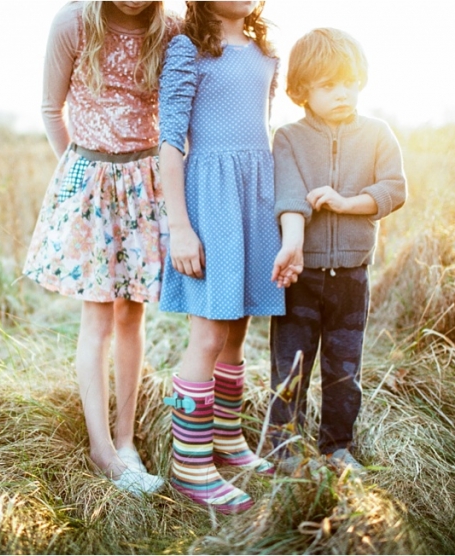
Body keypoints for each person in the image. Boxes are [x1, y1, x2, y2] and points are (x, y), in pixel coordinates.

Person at [24, 1, 180, 495]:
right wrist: (81, 175)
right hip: (91, 182)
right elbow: (52, 108)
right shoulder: (73, 22)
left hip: (144, 184)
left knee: (132, 314)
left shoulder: (170, 29)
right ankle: (101, 450)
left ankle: (126, 439)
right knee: (97, 317)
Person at [158, 1, 294, 514]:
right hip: (209, 201)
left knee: (238, 329)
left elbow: (262, 128)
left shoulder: (265, 50)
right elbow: (171, 142)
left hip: (254, 197)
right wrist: (179, 226)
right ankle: (190, 466)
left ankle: (228, 441)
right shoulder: (186, 49)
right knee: (209, 332)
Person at [269, 28, 407, 474]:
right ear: (301, 89)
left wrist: (349, 203)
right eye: (329, 85)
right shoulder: (288, 138)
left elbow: (393, 189)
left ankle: (336, 447)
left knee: (344, 369)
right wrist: (294, 245)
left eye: (349, 81)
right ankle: (284, 450)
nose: (342, 93)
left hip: (351, 275)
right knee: (291, 367)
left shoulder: (378, 133)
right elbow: (288, 195)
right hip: (302, 277)